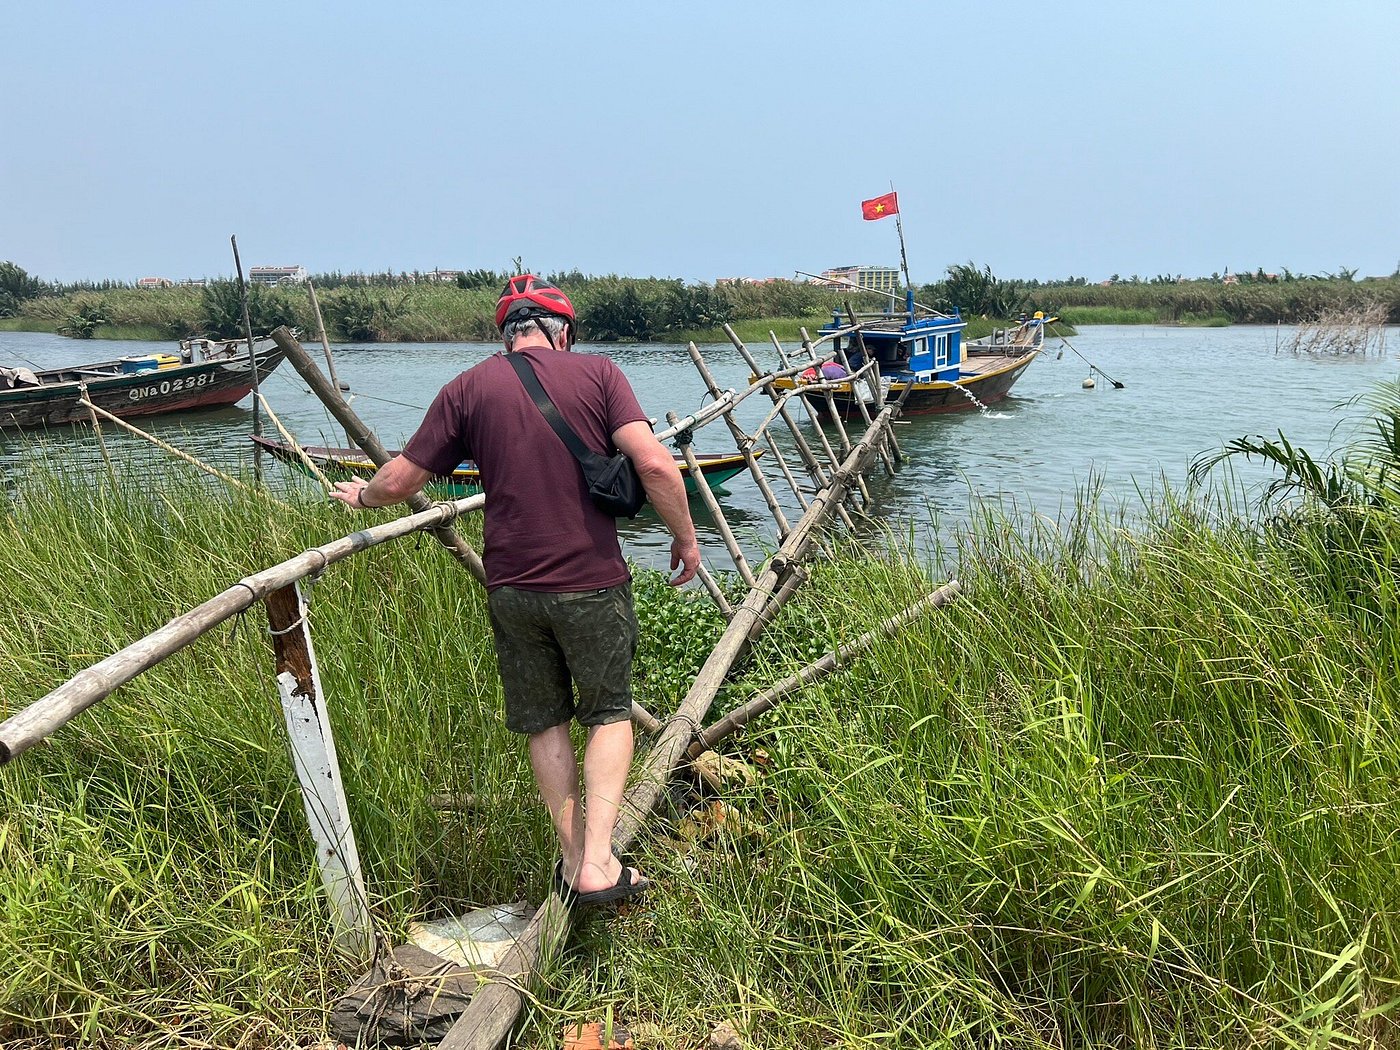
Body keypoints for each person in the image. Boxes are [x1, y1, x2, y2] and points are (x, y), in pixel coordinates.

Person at [331, 275, 700, 906]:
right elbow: (658, 464)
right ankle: (599, 865)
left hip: (512, 588)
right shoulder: (600, 374)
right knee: (608, 712)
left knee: (544, 720)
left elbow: (399, 481)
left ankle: (569, 857)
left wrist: (360, 494)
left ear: (507, 335)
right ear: (562, 331)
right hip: (591, 581)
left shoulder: (468, 388)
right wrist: (686, 539)